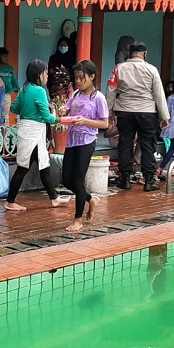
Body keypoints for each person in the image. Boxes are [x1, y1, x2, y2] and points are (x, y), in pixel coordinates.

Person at [4, 60, 67, 211]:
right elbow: (47, 117)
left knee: (42, 165)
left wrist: (29, 111)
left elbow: (14, 107)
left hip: (26, 130)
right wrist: (57, 117)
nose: (47, 76)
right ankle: (10, 201)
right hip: (35, 132)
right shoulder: (39, 91)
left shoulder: (25, 89)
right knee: (24, 168)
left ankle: (54, 198)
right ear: (39, 75)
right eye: (45, 73)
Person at [111, 42, 170, 191]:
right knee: (147, 146)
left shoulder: (119, 68)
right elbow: (159, 94)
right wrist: (165, 116)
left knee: (125, 143)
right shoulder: (152, 70)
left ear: (130, 53)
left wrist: (108, 113)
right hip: (147, 112)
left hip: (124, 111)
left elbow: (110, 91)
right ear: (145, 54)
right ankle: (149, 181)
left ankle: (124, 179)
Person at [61, 61, 108, 232]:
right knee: (66, 179)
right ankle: (91, 199)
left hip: (87, 141)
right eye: (76, 78)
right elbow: (67, 109)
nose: (78, 81)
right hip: (72, 140)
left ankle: (78, 219)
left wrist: (86, 121)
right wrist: (63, 112)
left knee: (78, 180)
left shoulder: (98, 98)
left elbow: (104, 123)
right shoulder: (75, 95)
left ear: (92, 77)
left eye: (82, 78)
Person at [0, 47, 19, 122]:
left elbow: (14, 79)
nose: (6, 58)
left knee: (5, 115)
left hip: (7, 94)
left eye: (6, 56)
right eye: (3, 56)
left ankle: (4, 132)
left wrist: (17, 87)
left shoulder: (10, 68)